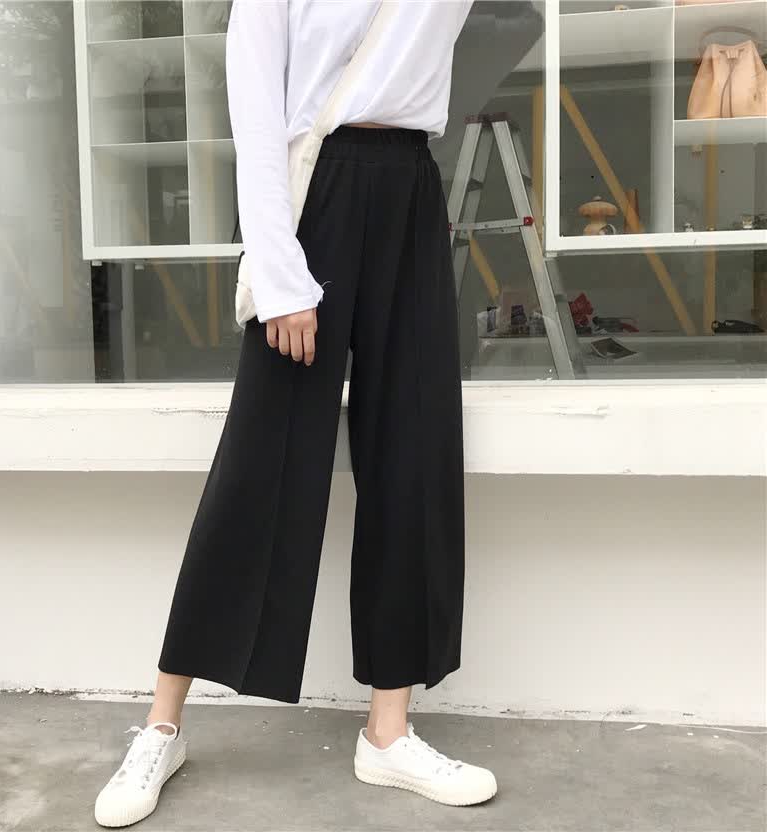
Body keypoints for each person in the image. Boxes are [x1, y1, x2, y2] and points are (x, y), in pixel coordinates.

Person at [95, 1, 498, 826]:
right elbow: (257, 119)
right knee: (258, 468)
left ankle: (388, 734)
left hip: (411, 190)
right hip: (314, 196)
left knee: (413, 459)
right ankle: (163, 724)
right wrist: (279, 274)